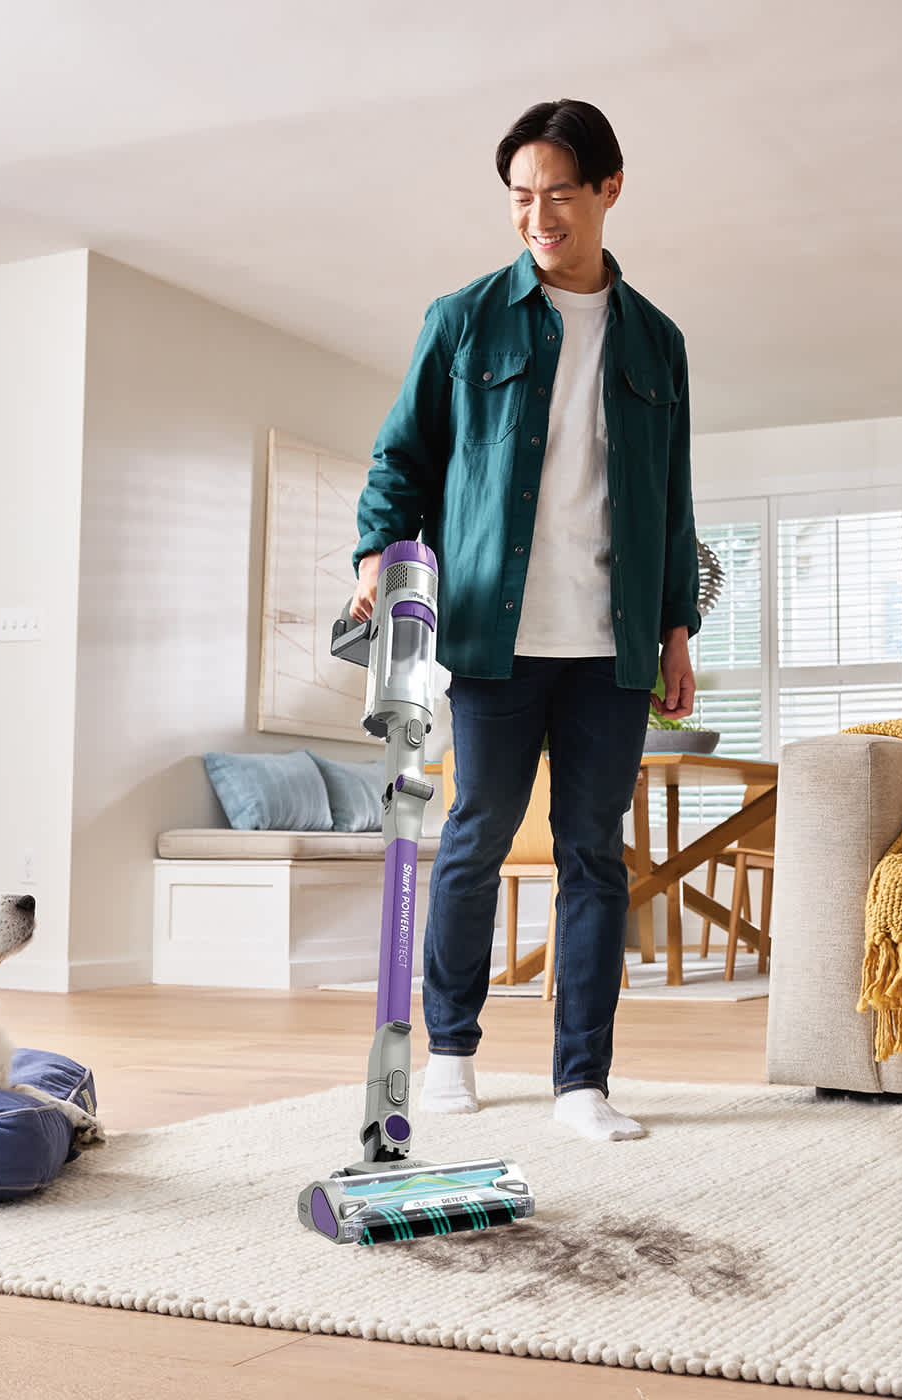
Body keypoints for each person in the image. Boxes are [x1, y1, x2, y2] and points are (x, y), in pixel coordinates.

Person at [349, 98, 699, 1142]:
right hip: (491, 638)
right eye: (519, 197)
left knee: (594, 855)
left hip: (610, 644)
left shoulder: (657, 342)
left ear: (608, 189)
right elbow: (402, 456)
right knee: (476, 839)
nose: (538, 216)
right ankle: (451, 1050)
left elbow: (670, 495)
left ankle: (581, 1083)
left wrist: (675, 627)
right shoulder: (463, 319)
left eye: (558, 193)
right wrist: (377, 556)